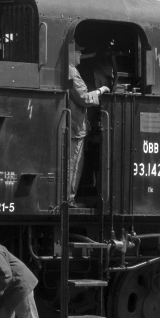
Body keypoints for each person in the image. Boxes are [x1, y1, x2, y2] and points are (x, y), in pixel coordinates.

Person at [68, 43, 110, 205]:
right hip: (75, 127)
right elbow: (83, 98)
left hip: (76, 125)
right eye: (79, 52)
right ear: (71, 53)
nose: (80, 56)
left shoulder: (70, 69)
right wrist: (101, 90)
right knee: (74, 163)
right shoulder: (71, 71)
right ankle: (69, 199)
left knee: (75, 163)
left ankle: (69, 197)